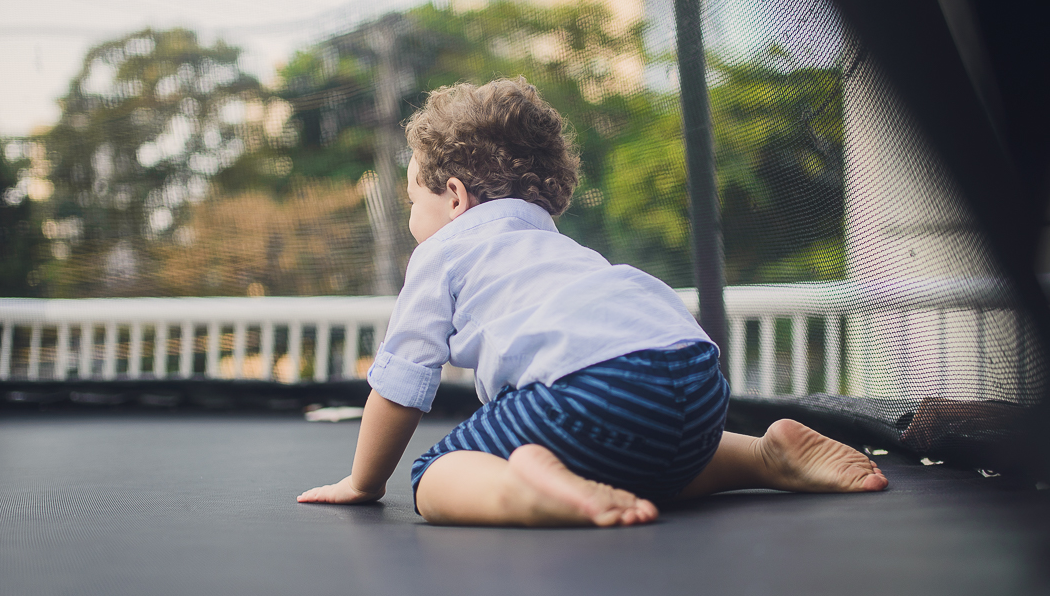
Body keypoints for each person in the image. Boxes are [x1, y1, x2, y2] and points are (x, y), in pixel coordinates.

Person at [298, 77, 886, 527]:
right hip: (696, 381)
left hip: (590, 389)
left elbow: (400, 385)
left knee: (436, 476)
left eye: (410, 202)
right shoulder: (557, 247)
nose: (409, 219)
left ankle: (533, 495)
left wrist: (364, 483)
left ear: (454, 198)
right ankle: (763, 456)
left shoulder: (443, 254)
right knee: (640, 454)